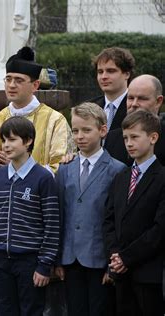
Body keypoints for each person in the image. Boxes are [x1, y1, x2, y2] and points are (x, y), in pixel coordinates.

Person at [0, 116, 60, 316]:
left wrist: (44, 264)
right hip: (0, 261)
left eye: (12, 140)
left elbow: (52, 224)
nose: (6, 145)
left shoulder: (43, 178)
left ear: (28, 141)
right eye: (4, 140)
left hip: (30, 262)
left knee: (31, 311)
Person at [54, 102, 125, 316]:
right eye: (75, 131)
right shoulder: (65, 169)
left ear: (103, 130)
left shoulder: (117, 170)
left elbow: (118, 220)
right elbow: (60, 215)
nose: (80, 136)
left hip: (99, 258)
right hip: (70, 258)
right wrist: (58, 258)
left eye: (86, 130)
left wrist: (111, 265)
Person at [103, 110, 165, 316]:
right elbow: (109, 219)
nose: (128, 143)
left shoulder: (162, 178)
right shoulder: (121, 177)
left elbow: (159, 229)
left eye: (135, 137)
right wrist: (114, 256)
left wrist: (126, 258)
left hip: (149, 274)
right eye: (125, 138)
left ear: (153, 137)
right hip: (121, 273)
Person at [0, 46, 73, 173]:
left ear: (35, 85)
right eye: (8, 79)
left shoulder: (55, 121)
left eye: (19, 80)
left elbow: (61, 168)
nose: (11, 85)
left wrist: (17, 165)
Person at [104, 74, 164, 165]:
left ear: (158, 101)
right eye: (131, 98)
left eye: (142, 98)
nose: (134, 104)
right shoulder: (112, 138)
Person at [89, 47, 135, 137]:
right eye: (100, 72)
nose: (104, 76)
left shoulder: (136, 107)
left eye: (111, 71)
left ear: (127, 74)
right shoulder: (90, 107)